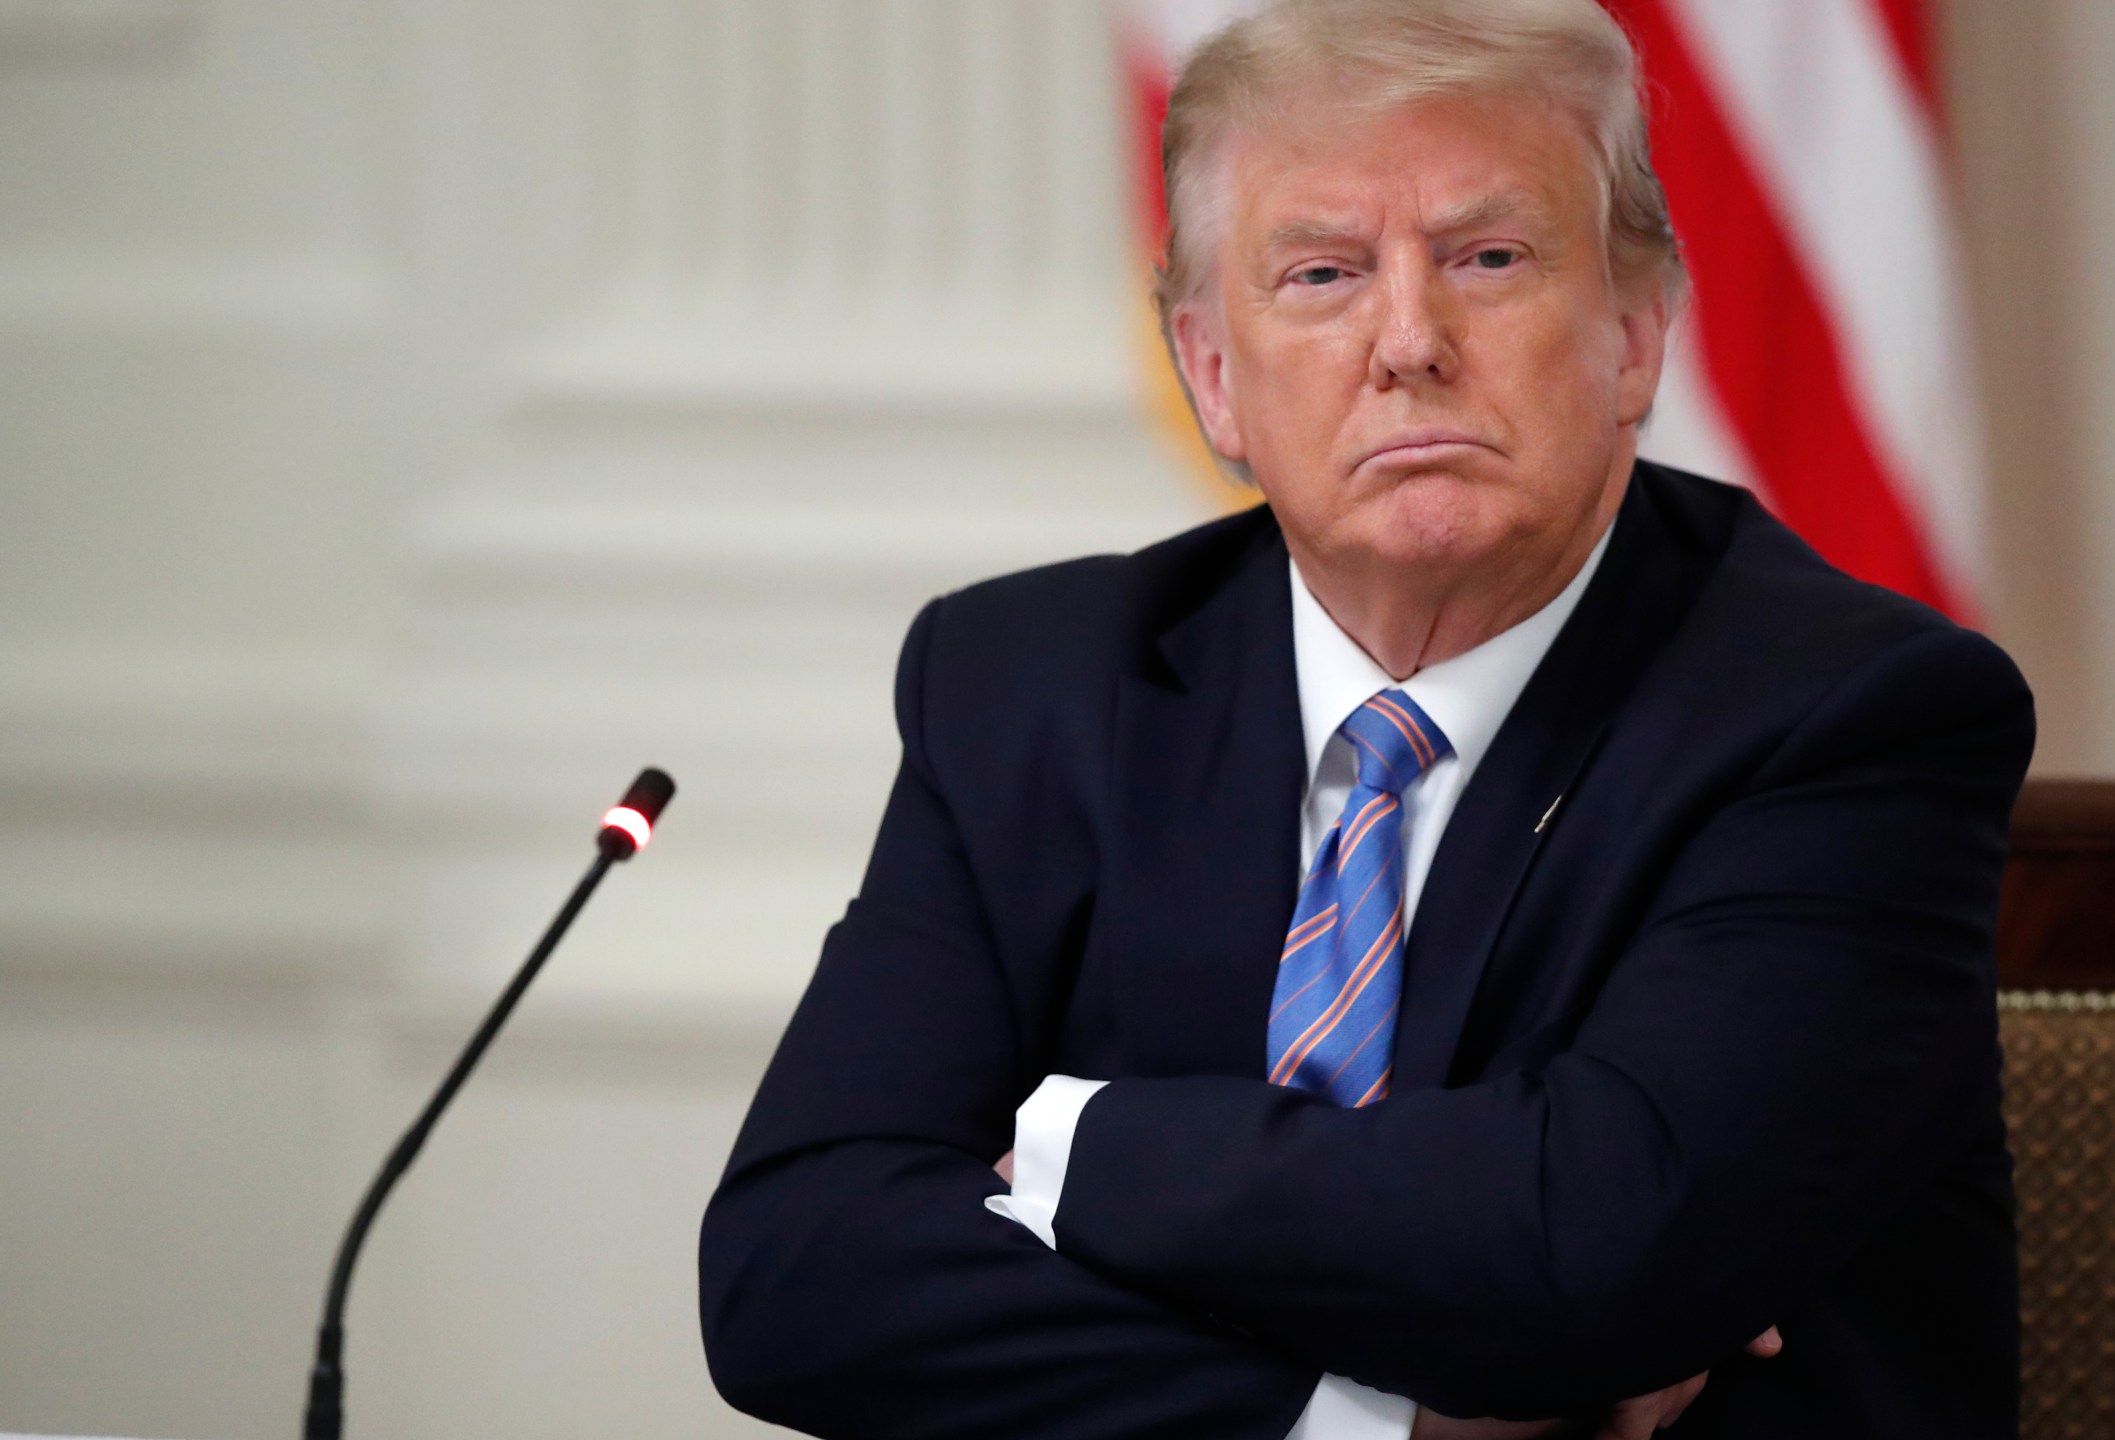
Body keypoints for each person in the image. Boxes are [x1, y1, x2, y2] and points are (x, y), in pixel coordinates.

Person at [699, 1, 2032, 1435]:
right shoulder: (1029, 685)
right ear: (1213, 374)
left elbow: (1595, 1257)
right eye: (1324, 274)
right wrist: (1364, 1424)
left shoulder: (1847, 714)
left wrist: (1074, 1146)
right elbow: (793, 1273)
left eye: (1489, 258)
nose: (1409, 341)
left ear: (1638, 334)